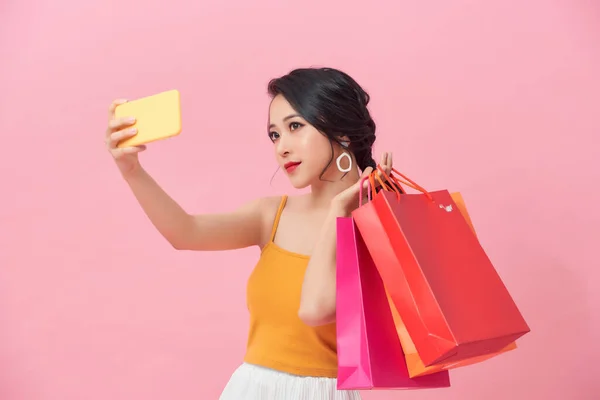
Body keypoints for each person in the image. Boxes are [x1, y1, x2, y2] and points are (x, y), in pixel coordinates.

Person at [104, 67, 394, 400]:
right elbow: (185, 232)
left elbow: (314, 308)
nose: (281, 148)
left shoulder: (377, 225)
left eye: (295, 127)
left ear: (341, 131)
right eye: (274, 135)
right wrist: (132, 171)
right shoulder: (271, 214)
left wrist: (338, 212)